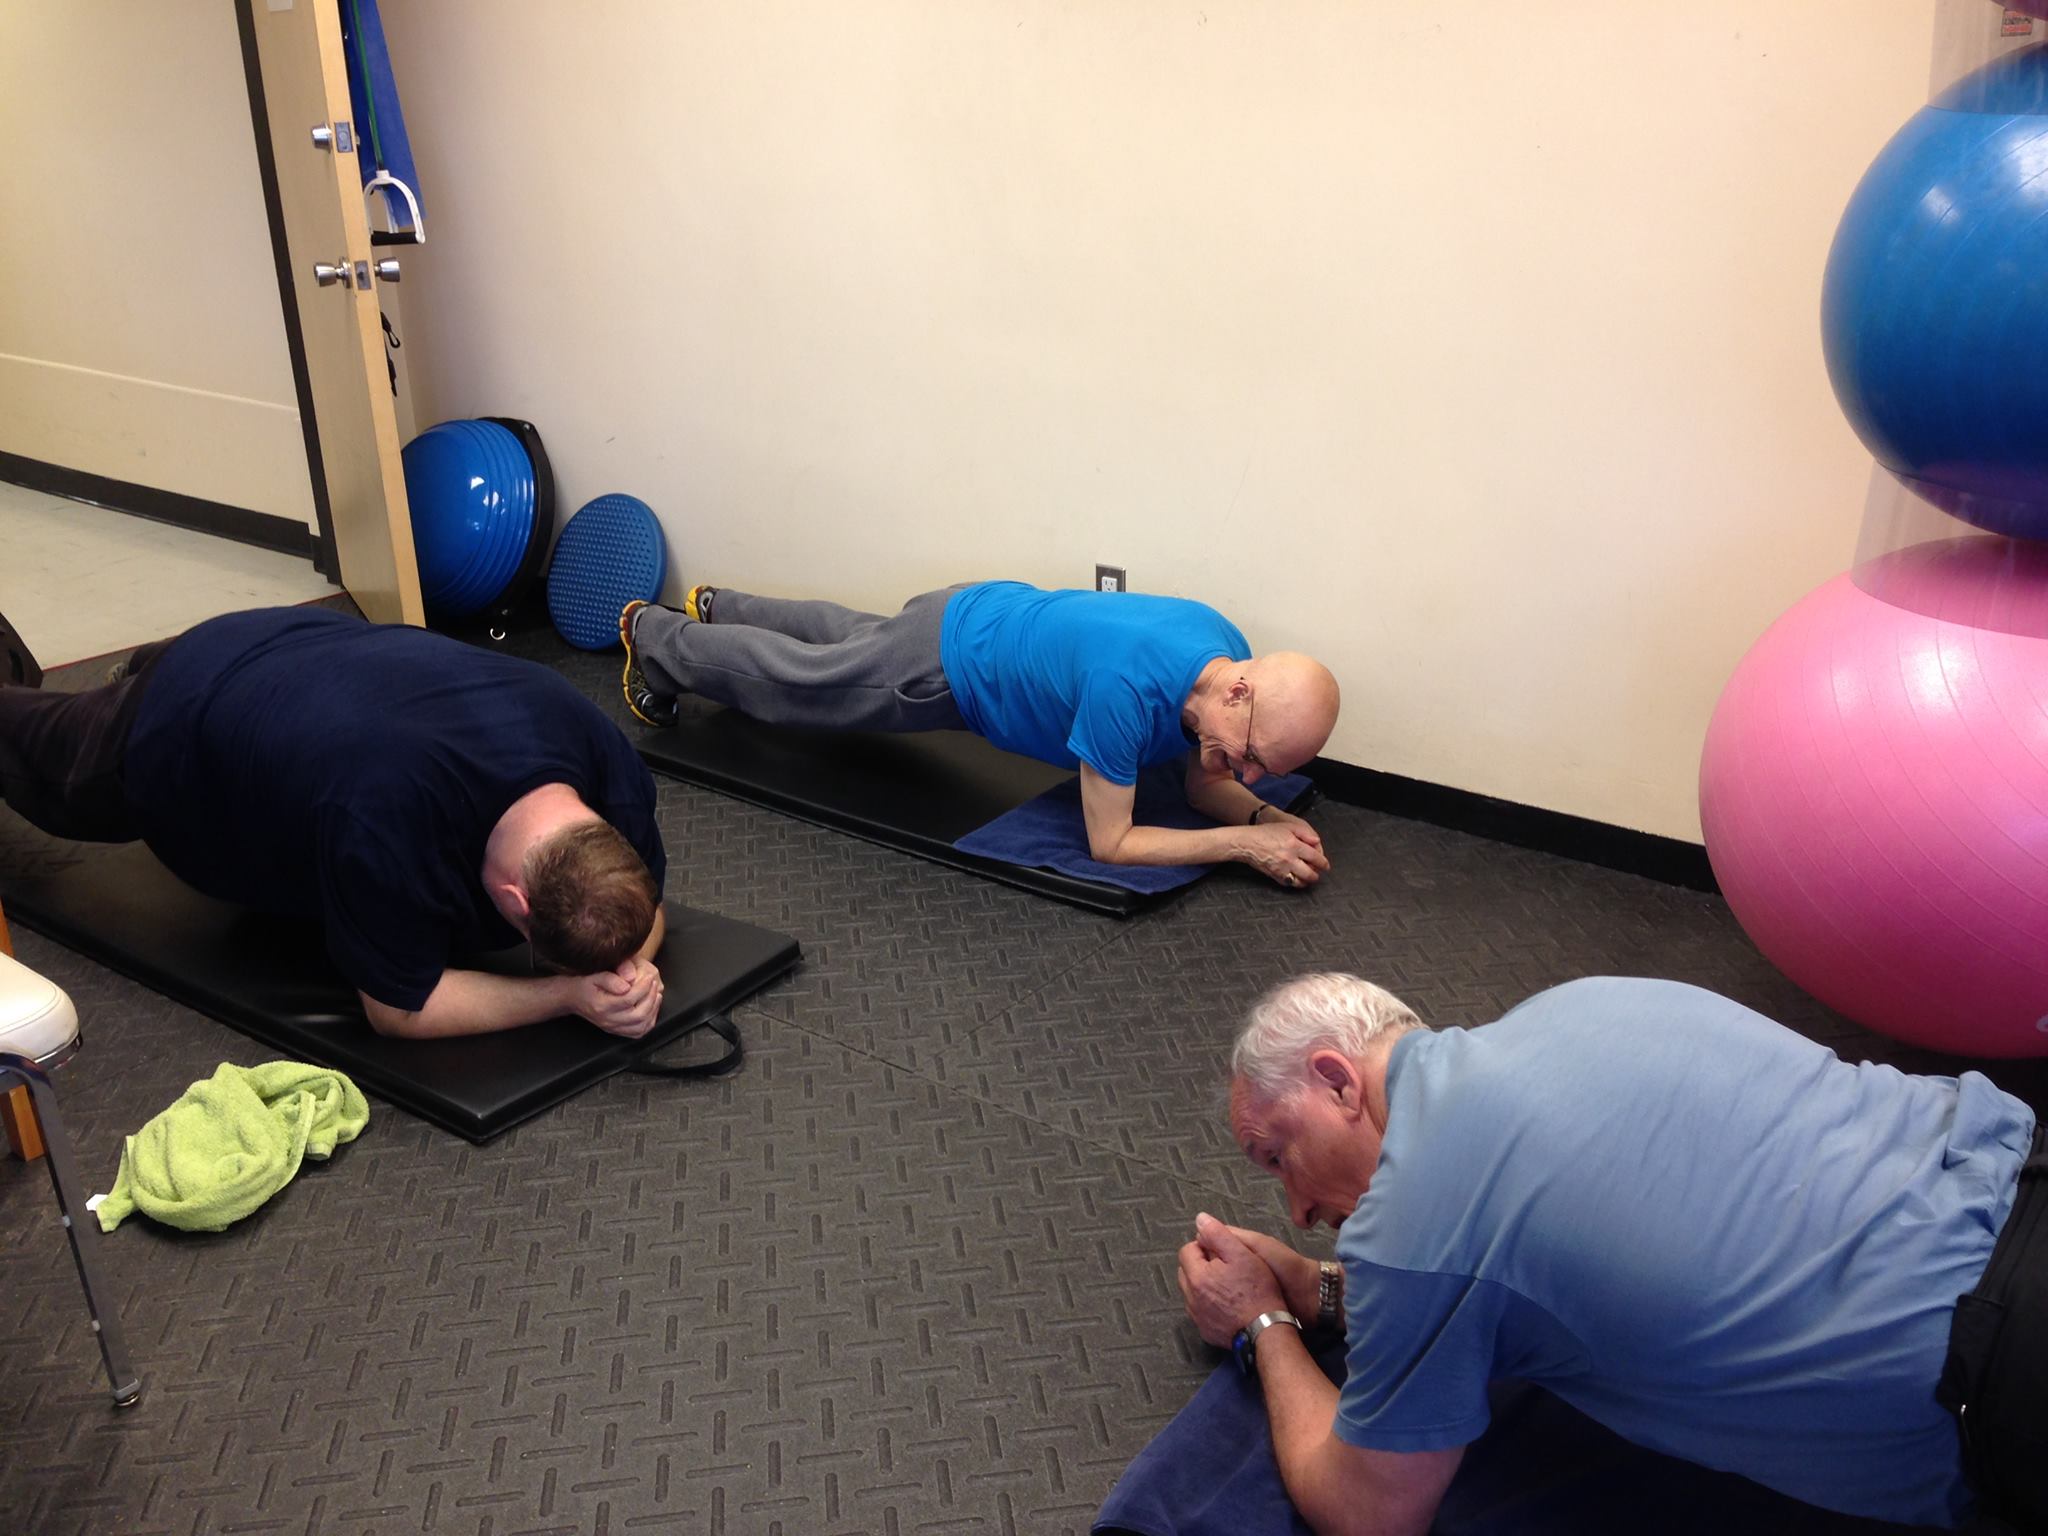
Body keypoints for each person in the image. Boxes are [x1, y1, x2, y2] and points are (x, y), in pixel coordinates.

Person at [1175, 973, 2046, 1534]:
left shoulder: (1414, 1225)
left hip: (2000, 1367)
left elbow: (1369, 1512)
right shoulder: (1581, 1001)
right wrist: (1331, 1291)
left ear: (1337, 1081)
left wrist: (1264, 1321)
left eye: (1277, 1156)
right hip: (2016, 1167)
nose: (1298, 1209)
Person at [0, 606, 669, 1041]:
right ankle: (128, 684)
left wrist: (627, 972)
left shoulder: (598, 750)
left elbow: (650, 912)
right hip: (188, 707)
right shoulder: (385, 814)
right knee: (28, 748)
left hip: (309, 645)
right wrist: (565, 997)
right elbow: (399, 1008)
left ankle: (136, 666)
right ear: (515, 903)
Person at [619, 580, 1341, 888]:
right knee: (804, 685)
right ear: (1239, 691)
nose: (1246, 775)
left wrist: (1267, 818)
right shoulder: (1126, 692)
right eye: (1250, 758)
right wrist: (1244, 845)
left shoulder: (1223, 646)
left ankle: (724, 606)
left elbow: (1204, 787)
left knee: (848, 642)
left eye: (1261, 772)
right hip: (949, 668)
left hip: (986, 606)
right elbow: (1112, 843)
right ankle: (657, 639)